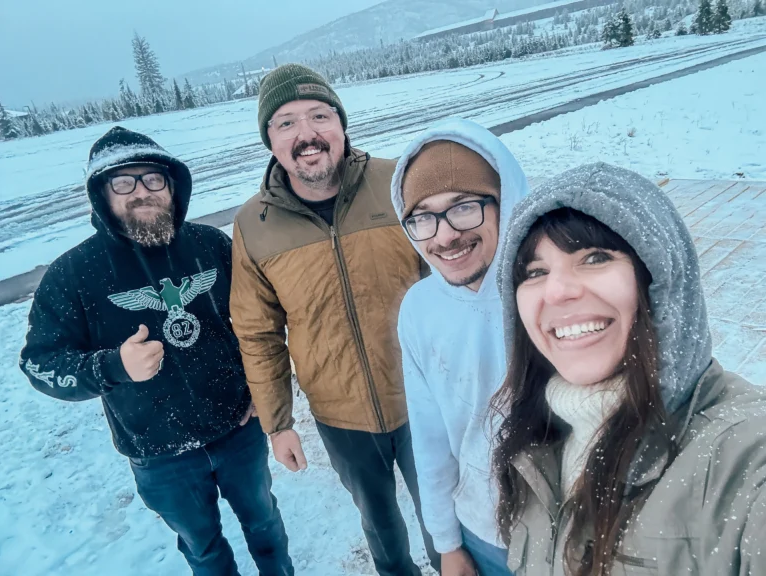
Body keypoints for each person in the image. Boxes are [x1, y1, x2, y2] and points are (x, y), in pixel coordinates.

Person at [19, 126, 294, 576]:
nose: (140, 192)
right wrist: (112, 366)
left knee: (265, 525)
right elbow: (40, 365)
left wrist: (264, 396)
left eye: (152, 180)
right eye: (123, 182)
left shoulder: (212, 247)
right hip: (161, 455)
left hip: (239, 430)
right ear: (101, 195)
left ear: (173, 186)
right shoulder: (73, 275)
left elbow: (259, 323)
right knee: (203, 549)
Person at [492, 162, 766, 575]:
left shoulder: (742, 459)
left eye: (595, 257)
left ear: (660, 279)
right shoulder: (537, 440)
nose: (558, 289)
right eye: (535, 271)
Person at [230, 64, 439, 576]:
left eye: (319, 115)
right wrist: (277, 423)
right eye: (286, 123)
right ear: (270, 141)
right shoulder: (253, 225)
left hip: (425, 395)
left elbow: (454, 277)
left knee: (448, 515)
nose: (307, 134)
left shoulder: (398, 182)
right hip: (340, 415)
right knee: (381, 523)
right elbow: (257, 334)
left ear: (341, 125)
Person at [390, 118, 529, 576]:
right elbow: (430, 439)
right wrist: (447, 543)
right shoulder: (419, 308)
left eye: (464, 207)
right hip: (483, 534)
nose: (445, 235)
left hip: (577, 536)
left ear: (504, 202)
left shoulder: (547, 289)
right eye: (422, 217)